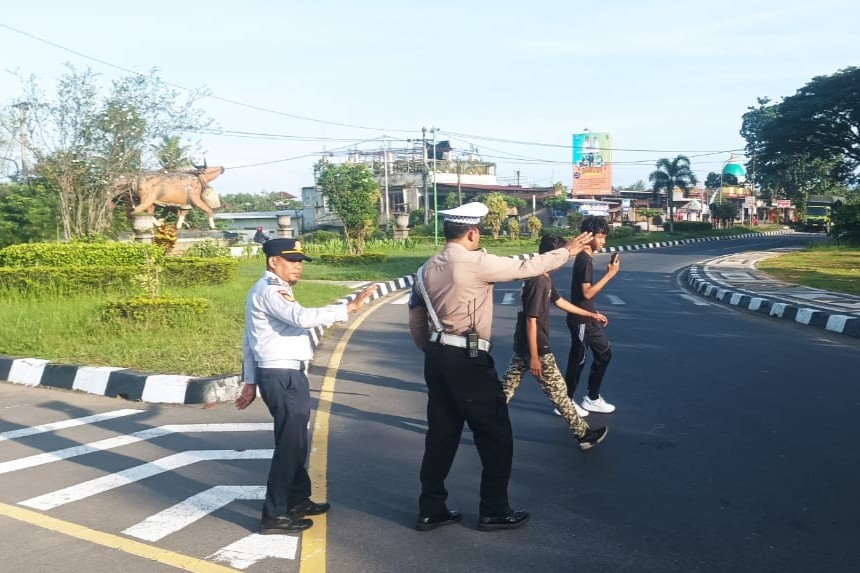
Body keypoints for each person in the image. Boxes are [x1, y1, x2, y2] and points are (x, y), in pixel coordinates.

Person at [408, 202, 596, 533]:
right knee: (496, 434)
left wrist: (435, 351)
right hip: (468, 359)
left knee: (441, 435)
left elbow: (416, 319)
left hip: (437, 357)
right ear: (471, 232)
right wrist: (566, 251)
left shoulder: (425, 269)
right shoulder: (475, 262)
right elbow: (526, 267)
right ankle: (494, 509)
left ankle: (431, 508)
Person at [235, 237, 378, 534]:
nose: (298, 266)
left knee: (296, 441)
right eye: (292, 261)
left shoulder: (273, 289)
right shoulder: (271, 290)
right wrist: (349, 307)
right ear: (274, 261)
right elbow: (300, 318)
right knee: (289, 445)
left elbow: (249, 340)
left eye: (300, 261)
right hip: (281, 375)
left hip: (284, 374)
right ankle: (274, 515)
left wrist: (249, 382)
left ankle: (298, 499)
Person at [502, 234, 609, 450]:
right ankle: (583, 435)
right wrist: (535, 356)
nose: (563, 261)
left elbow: (560, 302)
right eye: (561, 256)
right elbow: (531, 320)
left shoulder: (544, 276)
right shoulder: (538, 280)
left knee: (506, 389)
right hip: (536, 346)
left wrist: (590, 315)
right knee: (559, 392)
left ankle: (482, 420)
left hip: (524, 345)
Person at [564, 216, 620, 414]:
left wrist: (594, 313)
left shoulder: (586, 258)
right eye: (600, 237)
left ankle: (592, 397)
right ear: (588, 237)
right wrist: (610, 274)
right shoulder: (584, 260)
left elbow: (583, 296)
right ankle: (566, 402)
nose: (603, 241)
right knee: (577, 361)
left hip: (588, 317)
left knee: (604, 353)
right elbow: (586, 293)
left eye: (604, 237)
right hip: (580, 320)